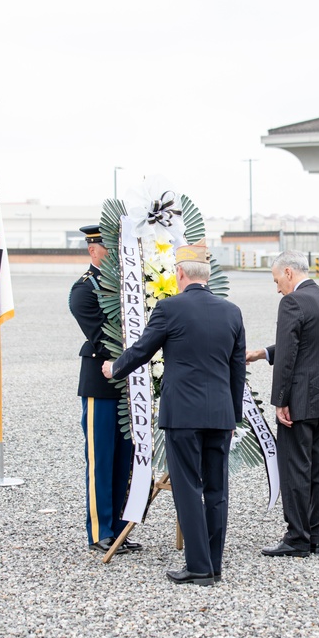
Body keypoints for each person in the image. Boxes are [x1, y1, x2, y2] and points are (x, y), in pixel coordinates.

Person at [103, 243, 246, 586]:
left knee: (187, 488)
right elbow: (236, 368)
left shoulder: (169, 308)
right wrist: (234, 415)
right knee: (216, 490)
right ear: (206, 276)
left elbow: (142, 350)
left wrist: (114, 369)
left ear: (180, 274)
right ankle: (213, 564)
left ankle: (198, 567)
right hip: (220, 414)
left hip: (183, 413)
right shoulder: (232, 311)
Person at [246, 250, 319, 557]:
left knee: (295, 465)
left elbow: (289, 354)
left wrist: (279, 401)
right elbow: (308, 343)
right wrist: (263, 352)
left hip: (300, 398)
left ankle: (296, 537)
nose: (277, 288)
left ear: (288, 272)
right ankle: (315, 534)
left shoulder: (292, 302)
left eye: (277, 280)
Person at [68, 224, 138, 555]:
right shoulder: (85, 290)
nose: (113, 254)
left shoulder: (129, 286)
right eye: (107, 248)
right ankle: (101, 530)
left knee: (126, 460)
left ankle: (122, 529)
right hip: (101, 382)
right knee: (101, 459)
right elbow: (105, 337)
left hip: (129, 383)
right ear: (93, 251)